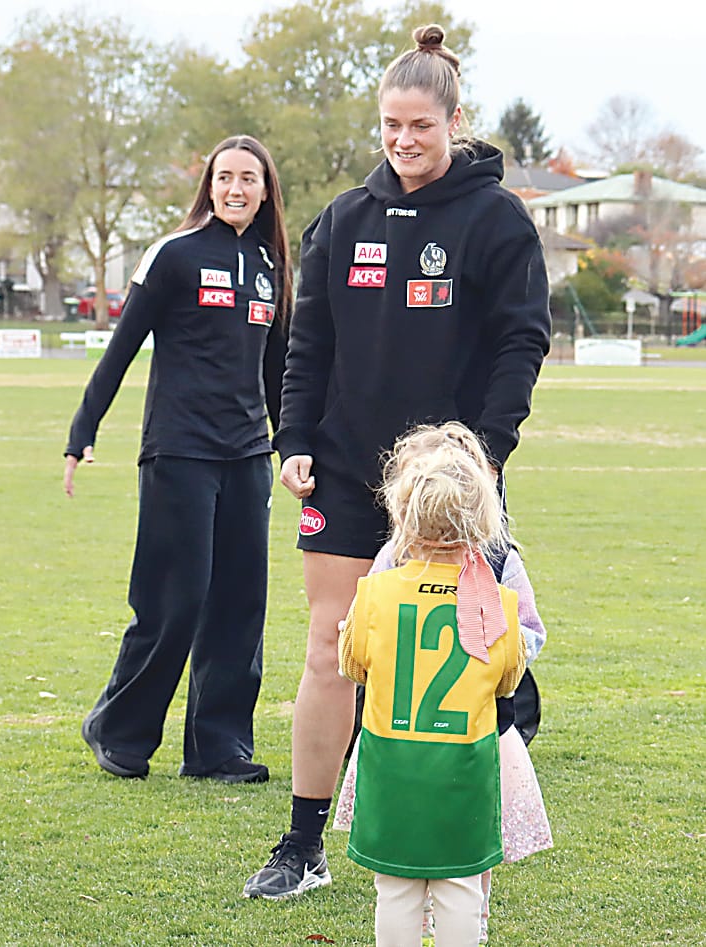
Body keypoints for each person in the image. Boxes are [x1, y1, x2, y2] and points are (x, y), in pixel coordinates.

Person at [242, 23, 550, 898]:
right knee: (332, 646)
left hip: (450, 486)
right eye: (390, 126)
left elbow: (520, 341)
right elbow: (309, 344)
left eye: (419, 125)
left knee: (464, 645)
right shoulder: (345, 217)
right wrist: (293, 438)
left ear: (454, 119)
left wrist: (483, 457)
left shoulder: (495, 219)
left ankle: (467, 826)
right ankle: (303, 844)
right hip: (342, 467)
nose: (403, 141)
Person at [64, 135, 292, 783]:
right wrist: (84, 430)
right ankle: (120, 730)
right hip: (179, 451)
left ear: (265, 189)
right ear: (209, 185)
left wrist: (292, 446)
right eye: (225, 177)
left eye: (249, 178)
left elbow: (278, 372)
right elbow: (121, 347)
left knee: (239, 603)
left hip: (245, 457)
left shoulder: (272, 265)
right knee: (175, 599)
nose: (236, 189)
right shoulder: (174, 253)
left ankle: (218, 748)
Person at [336, 422, 526, 946]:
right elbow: (509, 679)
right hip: (463, 764)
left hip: (390, 761)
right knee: (461, 886)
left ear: (402, 514)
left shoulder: (375, 593)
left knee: (395, 888)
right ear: (483, 520)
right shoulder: (500, 605)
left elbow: (352, 666)